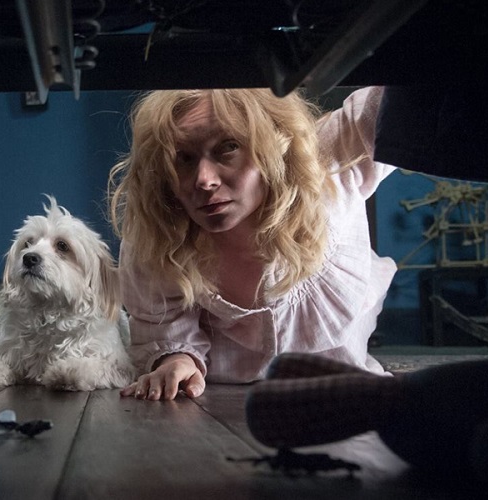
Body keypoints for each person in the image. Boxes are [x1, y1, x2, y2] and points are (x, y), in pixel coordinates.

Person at [107, 86, 395, 401]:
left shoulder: (327, 158)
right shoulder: (160, 231)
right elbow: (164, 321)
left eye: (228, 147)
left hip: (346, 392)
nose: (204, 180)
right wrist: (178, 360)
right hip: (225, 400)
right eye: (183, 158)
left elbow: (393, 101)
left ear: (272, 143)